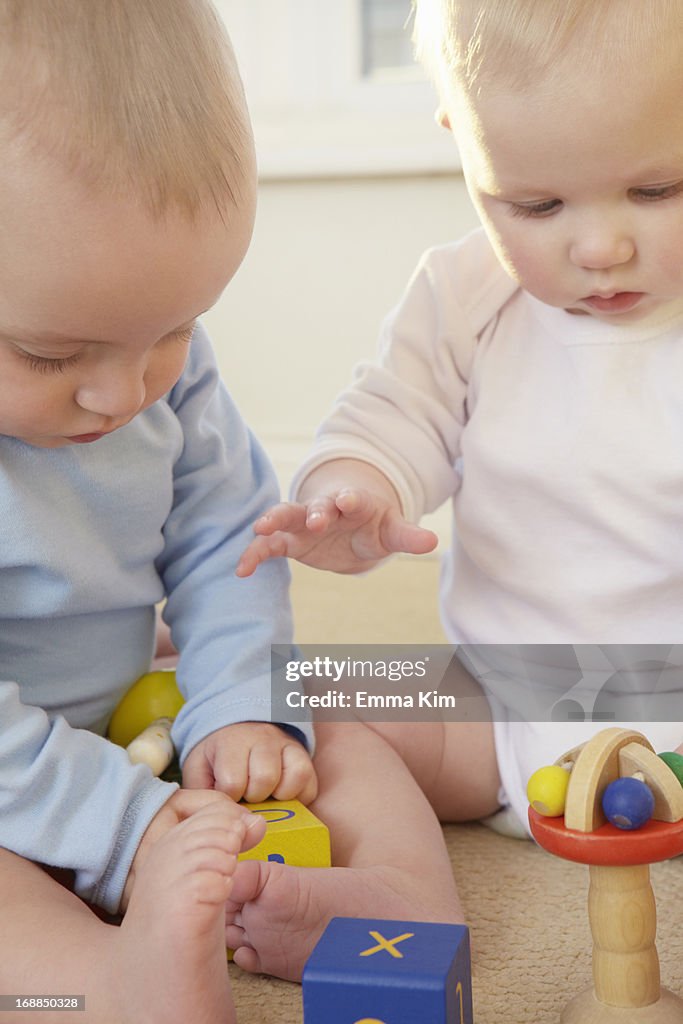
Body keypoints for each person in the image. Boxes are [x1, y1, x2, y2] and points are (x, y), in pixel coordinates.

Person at [233, 0, 683, 984]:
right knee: (300, 692)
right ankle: (398, 889)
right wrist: (354, 491)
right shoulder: (462, 294)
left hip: (675, 704)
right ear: (460, 143)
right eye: (533, 204)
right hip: (492, 696)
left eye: (655, 188)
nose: (598, 246)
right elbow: (388, 417)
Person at [0, 2, 316, 1021]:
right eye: (49, 356)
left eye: (173, 329)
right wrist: (124, 822)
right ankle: (103, 981)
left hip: (142, 714)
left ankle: (367, 905)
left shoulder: (138, 359)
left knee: (342, 717)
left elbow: (229, 531)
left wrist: (240, 708)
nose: (122, 392)